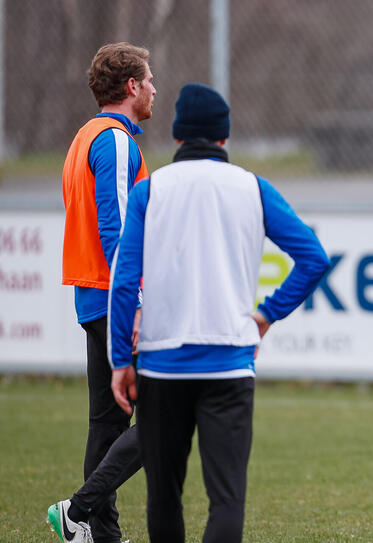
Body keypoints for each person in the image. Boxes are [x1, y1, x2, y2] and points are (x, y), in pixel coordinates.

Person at [107, 83, 330, 543]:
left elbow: (125, 281)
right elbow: (314, 258)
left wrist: (119, 361)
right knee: (226, 501)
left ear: (177, 138)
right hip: (230, 362)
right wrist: (266, 315)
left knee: (164, 497)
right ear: (224, 139)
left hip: (161, 365)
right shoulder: (253, 187)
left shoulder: (152, 190)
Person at [51, 41, 155, 543]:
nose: (155, 88)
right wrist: (132, 304)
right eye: (149, 79)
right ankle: (79, 510)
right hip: (114, 298)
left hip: (94, 296)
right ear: (131, 86)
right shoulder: (114, 140)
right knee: (166, 414)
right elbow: (115, 229)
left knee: (108, 422)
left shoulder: (85, 135)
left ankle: (99, 533)